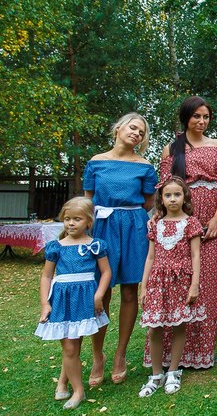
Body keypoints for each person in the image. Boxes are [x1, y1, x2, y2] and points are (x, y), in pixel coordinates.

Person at [145, 96, 217, 370]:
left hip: (211, 219)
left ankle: (200, 351)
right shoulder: (171, 149)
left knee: (208, 284)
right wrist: (159, 216)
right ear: (186, 117)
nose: (202, 121)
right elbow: (164, 186)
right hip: (180, 216)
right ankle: (170, 354)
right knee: (176, 282)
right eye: (196, 116)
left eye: (206, 117)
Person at [83, 113, 158, 386]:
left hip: (133, 228)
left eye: (142, 132)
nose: (136, 134)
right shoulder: (96, 162)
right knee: (101, 292)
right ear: (118, 128)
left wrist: (128, 218)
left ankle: (120, 354)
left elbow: (149, 202)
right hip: (101, 228)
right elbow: (87, 200)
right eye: (133, 128)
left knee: (129, 291)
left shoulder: (145, 167)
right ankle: (97, 355)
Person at [35, 197, 111, 410]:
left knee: (74, 345)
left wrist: (99, 295)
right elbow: (46, 276)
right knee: (69, 346)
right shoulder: (56, 247)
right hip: (63, 300)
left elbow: (106, 272)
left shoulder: (95, 245)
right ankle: (78, 390)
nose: (70, 223)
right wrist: (45, 304)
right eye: (67, 219)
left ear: (88, 221)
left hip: (85, 300)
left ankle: (65, 382)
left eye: (77, 219)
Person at [138, 177, 204, 397]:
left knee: (179, 325)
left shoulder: (191, 223)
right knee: (154, 327)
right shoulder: (155, 224)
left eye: (177, 194)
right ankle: (156, 374)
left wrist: (194, 285)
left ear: (185, 197)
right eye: (168, 195)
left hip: (181, 281)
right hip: (158, 282)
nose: (173, 199)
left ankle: (173, 371)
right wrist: (144, 286)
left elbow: (196, 255)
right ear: (161, 199)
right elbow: (150, 257)